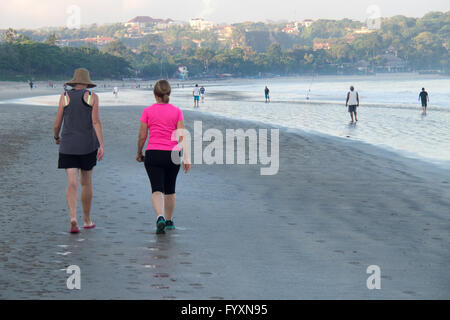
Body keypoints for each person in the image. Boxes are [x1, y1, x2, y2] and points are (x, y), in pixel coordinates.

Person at [54, 68, 105, 234]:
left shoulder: (64, 97)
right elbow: (96, 122)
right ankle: (87, 220)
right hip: (87, 146)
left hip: (68, 145)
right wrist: (102, 145)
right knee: (86, 182)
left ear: (74, 82)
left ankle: (72, 217)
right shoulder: (92, 97)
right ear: (87, 83)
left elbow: (57, 123)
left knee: (72, 182)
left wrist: (56, 137)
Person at [137, 80, 191, 234]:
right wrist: (187, 157)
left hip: (153, 153)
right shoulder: (177, 111)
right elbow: (181, 136)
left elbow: (142, 136)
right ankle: (169, 221)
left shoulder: (147, 111)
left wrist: (139, 152)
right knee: (170, 189)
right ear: (169, 94)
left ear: (155, 95)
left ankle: (160, 216)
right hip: (173, 154)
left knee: (157, 189)